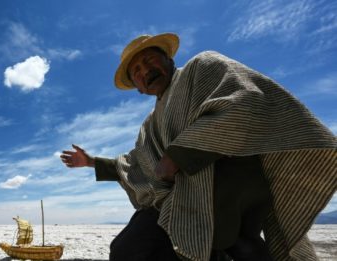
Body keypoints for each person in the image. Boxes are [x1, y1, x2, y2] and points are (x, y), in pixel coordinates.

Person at [60, 33, 336, 261]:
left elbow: (247, 101)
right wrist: (92, 162)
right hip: (183, 200)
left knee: (138, 248)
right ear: (138, 88)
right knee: (138, 249)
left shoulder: (201, 67)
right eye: (137, 72)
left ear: (168, 58)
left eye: (149, 60)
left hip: (233, 190)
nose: (146, 71)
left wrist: (181, 154)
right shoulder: (149, 126)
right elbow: (135, 163)